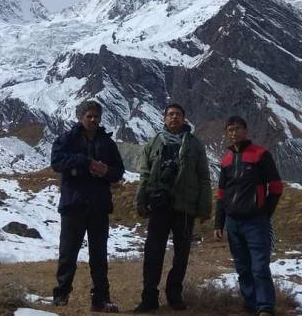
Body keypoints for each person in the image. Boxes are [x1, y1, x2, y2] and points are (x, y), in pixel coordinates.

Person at [133, 103, 212, 312]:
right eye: (170, 114)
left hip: (185, 208)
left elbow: (204, 176)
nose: (174, 117)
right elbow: (145, 174)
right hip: (159, 206)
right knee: (153, 253)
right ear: (164, 118)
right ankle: (149, 297)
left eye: (178, 114)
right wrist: (141, 201)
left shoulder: (195, 145)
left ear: (184, 119)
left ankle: (174, 295)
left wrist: (204, 208)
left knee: (182, 253)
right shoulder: (154, 143)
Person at [50, 100, 124, 313]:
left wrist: (105, 171)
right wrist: (85, 162)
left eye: (96, 116)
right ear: (80, 117)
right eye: (89, 116)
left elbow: (118, 170)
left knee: (99, 255)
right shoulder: (67, 139)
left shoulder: (107, 143)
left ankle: (101, 299)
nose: (93, 120)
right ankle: (61, 296)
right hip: (74, 204)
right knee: (68, 253)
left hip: (99, 206)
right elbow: (56, 161)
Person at [214, 116, 283, 316]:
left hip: (255, 221)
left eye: (237, 128)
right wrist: (219, 223)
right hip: (233, 222)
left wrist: (263, 213)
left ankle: (265, 307)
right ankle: (250, 305)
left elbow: (276, 187)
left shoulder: (261, 155)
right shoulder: (226, 160)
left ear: (246, 130)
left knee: (260, 266)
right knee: (243, 267)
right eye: (229, 130)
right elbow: (221, 194)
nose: (233, 133)